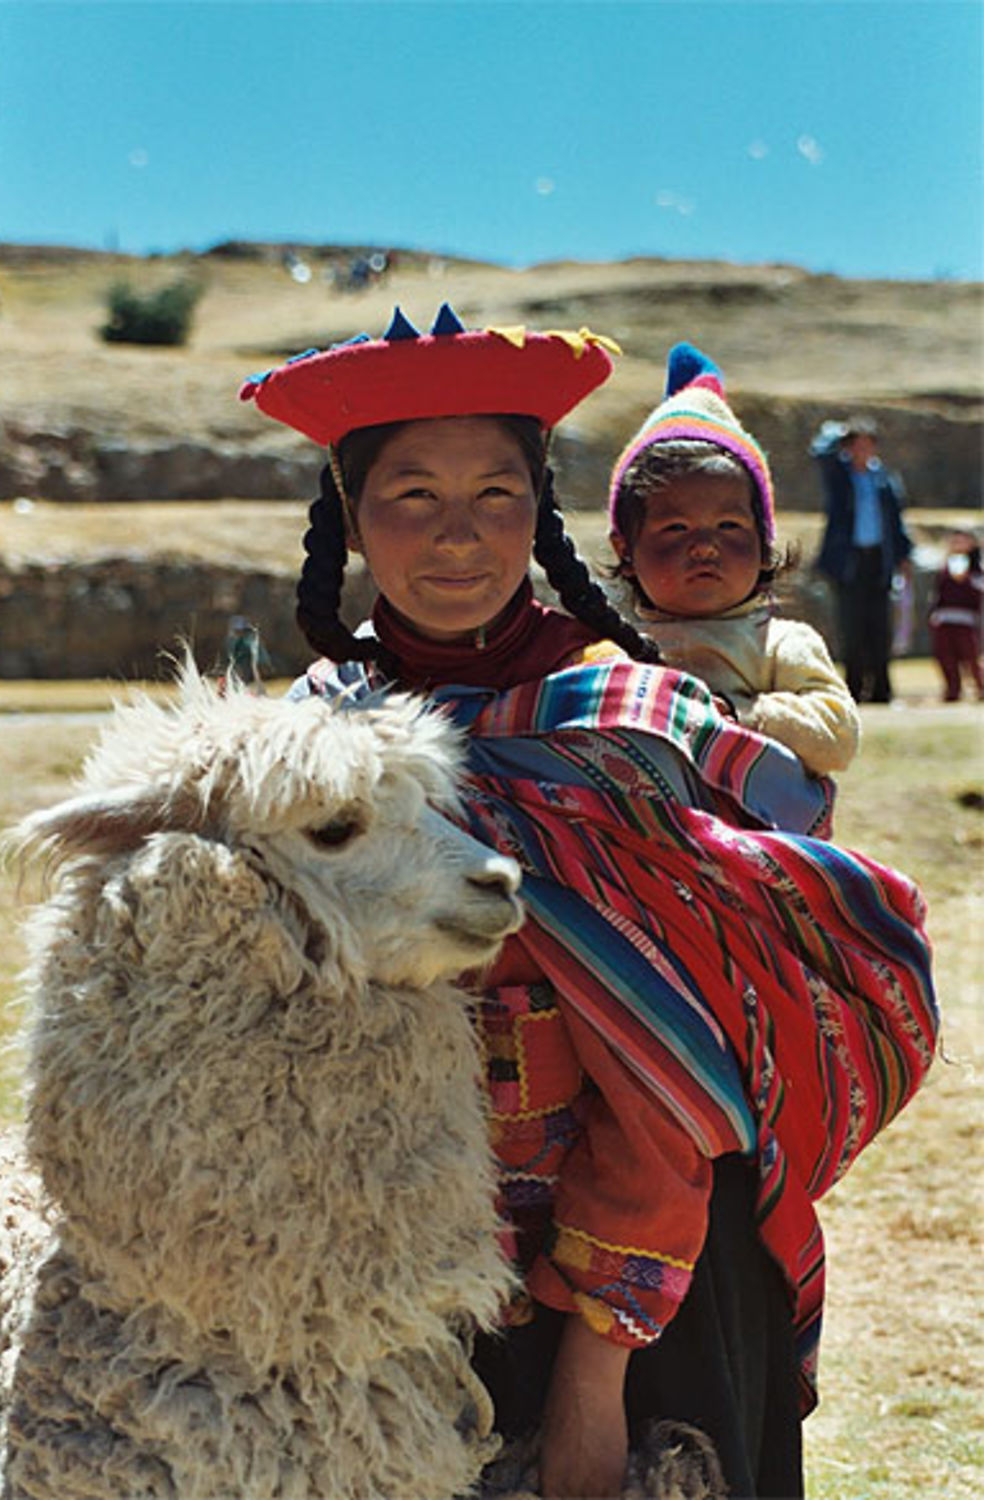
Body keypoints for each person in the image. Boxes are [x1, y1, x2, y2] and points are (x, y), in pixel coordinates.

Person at [240, 307, 938, 1500]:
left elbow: (678, 1068)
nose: (458, 536)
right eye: (413, 495)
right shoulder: (298, 753)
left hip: (643, 1287)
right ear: (350, 516)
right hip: (374, 1286)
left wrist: (594, 1365)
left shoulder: (635, 725)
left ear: (542, 512)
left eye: (497, 495)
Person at [607, 342, 859, 778]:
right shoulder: (609, 647)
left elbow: (837, 735)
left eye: (728, 527)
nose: (705, 547)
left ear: (764, 545)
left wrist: (730, 714)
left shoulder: (781, 644)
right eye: (676, 529)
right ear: (624, 551)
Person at [811, 416, 913, 704]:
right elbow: (819, 451)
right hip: (848, 564)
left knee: (879, 628)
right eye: (856, 445)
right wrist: (838, 433)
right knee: (851, 628)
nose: (863, 451)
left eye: (868, 445)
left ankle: (882, 691)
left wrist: (903, 555)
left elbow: (896, 521)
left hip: (879, 563)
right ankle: (853, 690)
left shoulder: (884, 481)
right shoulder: (839, 477)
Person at [928, 529, 984, 702]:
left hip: (966, 620)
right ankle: (953, 690)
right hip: (945, 618)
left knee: (971, 658)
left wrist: (967, 578)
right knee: (946, 658)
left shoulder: (976, 569)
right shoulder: (944, 568)